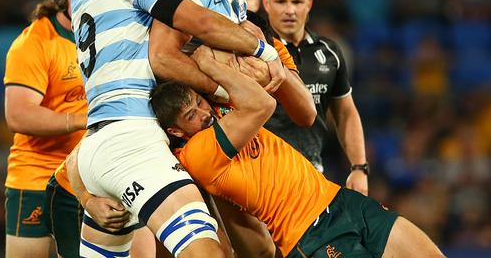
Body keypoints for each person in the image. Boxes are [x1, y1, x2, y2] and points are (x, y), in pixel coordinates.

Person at [69, 0, 283, 258]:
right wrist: (261, 50)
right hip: (133, 140)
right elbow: (196, 20)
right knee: (210, 253)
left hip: (95, 148)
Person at [150, 45, 445, 258]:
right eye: (191, 115)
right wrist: (206, 61)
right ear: (176, 132)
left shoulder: (217, 113)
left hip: (342, 201)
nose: (203, 113)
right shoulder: (197, 154)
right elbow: (262, 104)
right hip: (310, 235)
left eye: (199, 103)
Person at [150, 0, 315, 257]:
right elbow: (162, 56)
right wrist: (223, 88)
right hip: (195, 135)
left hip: (223, 132)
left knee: (256, 247)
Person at [2, 0, 89, 258]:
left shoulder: (104, 37)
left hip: (89, 176)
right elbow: (19, 114)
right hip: (38, 176)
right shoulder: (34, 43)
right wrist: (82, 120)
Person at [262, 0, 369, 195]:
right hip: (263, 178)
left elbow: (345, 112)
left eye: (297, 2)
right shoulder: (255, 52)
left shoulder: (330, 52)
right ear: (266, 4)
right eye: (280, 2)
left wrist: (359, 167)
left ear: (309, 4)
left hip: (312, 176)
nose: (289, 10)